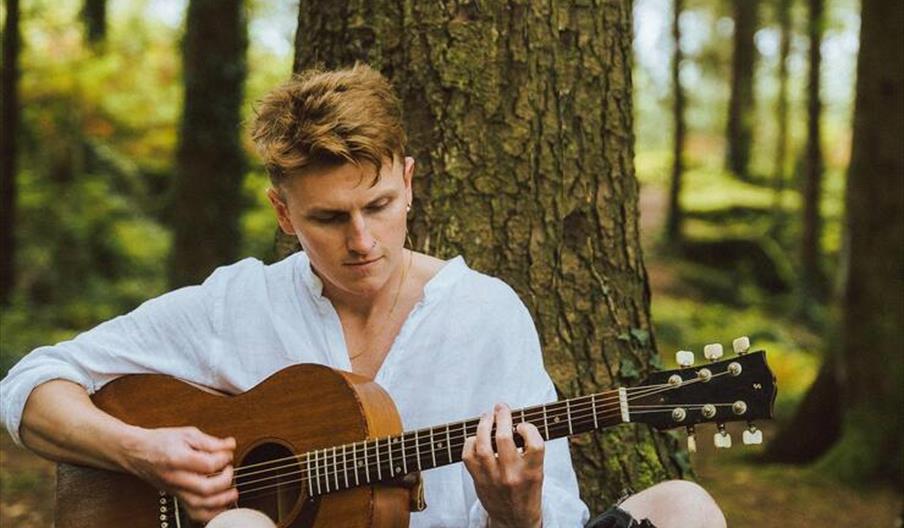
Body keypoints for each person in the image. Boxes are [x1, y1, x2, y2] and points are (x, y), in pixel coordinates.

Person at [0, 64, 725, 528]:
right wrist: (140, 450)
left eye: (378, 205)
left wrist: (517, 516)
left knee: (684, 507)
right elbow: (30, 384)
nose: (362, 240)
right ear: (284, 215)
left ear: (408, 182)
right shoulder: (236, 305)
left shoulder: (486, 313)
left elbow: (555, 518)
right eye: (328, 217)